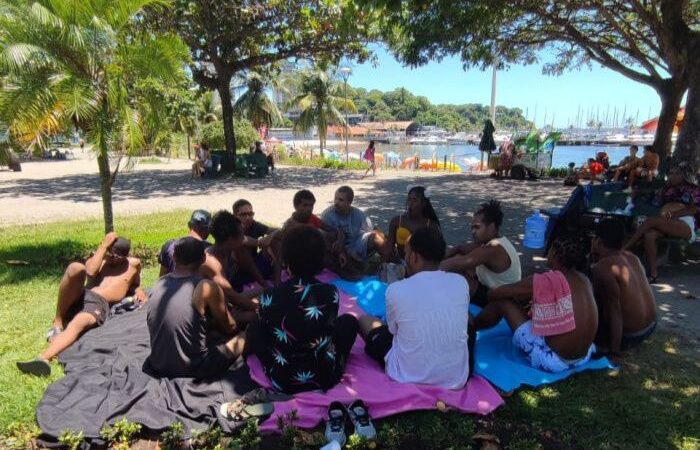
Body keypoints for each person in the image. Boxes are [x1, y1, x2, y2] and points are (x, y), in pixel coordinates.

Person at [246, 226, 359, 394]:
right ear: (321, 261)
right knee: (349, 322)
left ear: (285, 260)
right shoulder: (330, 292)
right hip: (325, 376)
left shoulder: (270, 296)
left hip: (283, 378)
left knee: (254, 328)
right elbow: (329, 326)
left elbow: (266, 328)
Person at [17, 233, 145, 376]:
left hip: (98, 304)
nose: (113, 259)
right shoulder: (99, 260)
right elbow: (89, 272)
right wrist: (103, 247)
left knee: (79, 323)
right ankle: (58, 321)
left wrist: (139, 291)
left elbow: (134, 283)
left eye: (117, 257)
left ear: (125, 256)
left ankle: (43, 359)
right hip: (82, 294)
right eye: (111, 254)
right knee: (76, 267)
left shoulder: (134, 264)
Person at [359, 227, 471, 389]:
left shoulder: (396, 289)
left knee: (365, 320)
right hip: (456, 377)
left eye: (406, 254)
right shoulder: (460, 282)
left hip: (405, 374)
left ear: (414, 257)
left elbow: (393, 332)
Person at [474, 238, 598, 373]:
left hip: (554, 360)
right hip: (583, 356)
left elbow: (495, 294)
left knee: (503, 301)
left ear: (555, 254)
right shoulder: (584, 279)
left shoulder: (546, 280)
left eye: (549, 250)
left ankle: (471, 328)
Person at [147, 237, 245, 378]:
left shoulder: (160, 283)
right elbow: (230, 327)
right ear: (204, 258)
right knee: (245, 335)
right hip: (194, 368)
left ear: (174, 257)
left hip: (158, 364)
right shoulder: (206, 287)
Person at [591, 220, 656, 362]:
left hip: (632, 335)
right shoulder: (632, 258)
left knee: (588, 305)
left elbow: (614, 310)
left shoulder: (602, 268)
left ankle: (608, 347)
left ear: (599, 242)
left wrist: (615, 352)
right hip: (651, 326)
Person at [623, 162, 699, 282]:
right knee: (649, 235)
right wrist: (636, 193)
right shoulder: (666, 188)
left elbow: (694, 209)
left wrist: (672, 214)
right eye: (670, 173)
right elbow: (652, 200)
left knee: (651, 221)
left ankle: (625, 248)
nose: (672, 176)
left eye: (676, 174)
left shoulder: (693, 189)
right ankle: (653, 274)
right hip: (665, 221)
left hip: (684, 222)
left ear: (684, 175)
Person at [440, 200, 521, 306]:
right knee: (458, 257)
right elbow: (460, 249)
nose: (473, 232)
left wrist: (424, 269)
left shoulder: (493, 249)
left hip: (499, 300)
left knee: (453, 274)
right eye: (472, 228)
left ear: (491, 227)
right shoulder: (497, 242)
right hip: (496, 291)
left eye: (477, 227)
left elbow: (453, 264)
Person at [199, 210, 260, 324]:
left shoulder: (223, 251)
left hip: (224, 303)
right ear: (231, 239)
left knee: (262, 291)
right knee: (256, 317)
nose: (243, 238)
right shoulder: (212, 263)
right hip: (209, 316)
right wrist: (261, 309)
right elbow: (232, 296)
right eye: (241, 236)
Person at [321, 186, 391, 262]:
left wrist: (387, 242)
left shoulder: (358, 214)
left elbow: (373, 229)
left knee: (378, 236)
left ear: (349, 202)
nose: (336, 203)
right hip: (338, 249)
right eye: (335, 198)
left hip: (356, 245)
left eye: (341, 200)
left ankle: (388, 265)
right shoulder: (327, 215)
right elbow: (324, 240)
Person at [387, 185, 441, 260]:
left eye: (415, 200)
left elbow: (437, 253)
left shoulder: (431, 226)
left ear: (424, 204)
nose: (410, 203)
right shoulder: (397, 221)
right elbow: (389, 250)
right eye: (409, 199)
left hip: (423, 267)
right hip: (401, 264)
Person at [232, 199, 276, 289]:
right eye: (243, 214)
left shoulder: (254, 225)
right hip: (237, 270)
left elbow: (276, 230)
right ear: (235, 215)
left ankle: (277, 280)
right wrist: (260, 242)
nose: (248, 217)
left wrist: (270, 237)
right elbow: (240, 239)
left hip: (256, 263)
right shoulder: (232, 227)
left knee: (276, 241)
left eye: (250, 214)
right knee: (241, 248)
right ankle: (265, 285)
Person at [158, 210, 212, 276]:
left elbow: (162, 277)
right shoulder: (209, 251)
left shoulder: (169, 245)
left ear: (189, 225)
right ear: (208, 229)